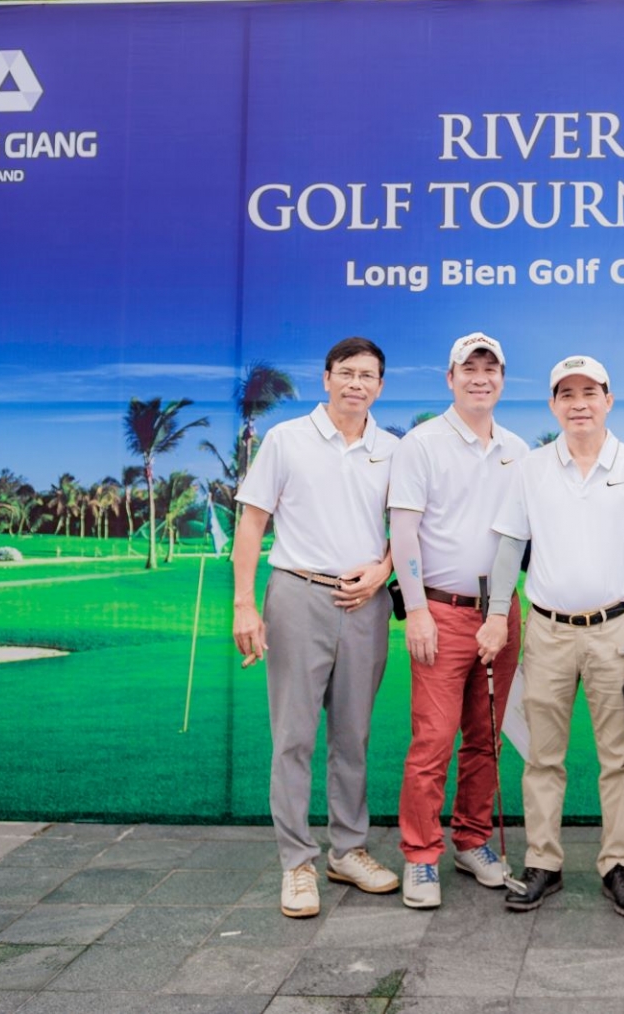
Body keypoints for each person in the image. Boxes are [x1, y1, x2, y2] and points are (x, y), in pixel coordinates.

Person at [475, 355, 624, 917]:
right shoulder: (531, 468)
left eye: (590, 393)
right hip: (548, 631)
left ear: (609, 401)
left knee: (619, 756)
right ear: (553, 405)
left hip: (616, 630)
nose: (579, 403)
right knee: (543, 756)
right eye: (567, 394)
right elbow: (510, 547)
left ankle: (619, 865)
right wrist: (496, 614)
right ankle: (544, 862)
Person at [232, 337, 401, 918]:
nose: (357, 383)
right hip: (297, 595)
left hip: (365, 604)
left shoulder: (392, 450)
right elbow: (252, 523)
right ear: (326, 378)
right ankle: (297, 863)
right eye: (346, 372)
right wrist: (244, 604)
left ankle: (347, 851)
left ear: (380, 386)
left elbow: (406, 531)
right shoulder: (286, 439)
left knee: (352, 737)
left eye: (368, 375)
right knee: (294, 738)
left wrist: (382, 570)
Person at [387, 332, 529, 909]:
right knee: (433, 739)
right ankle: (421, 855)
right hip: (441, 611)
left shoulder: (518, 450)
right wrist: (417, 610)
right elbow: (403, 533)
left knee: (485, 737)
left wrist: (503, 613)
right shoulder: (421, 444)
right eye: (469, 368)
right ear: (450, 378)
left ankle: (472, 840)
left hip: (501, 612)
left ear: (502, 380)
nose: (479, 377)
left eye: (490, 368)